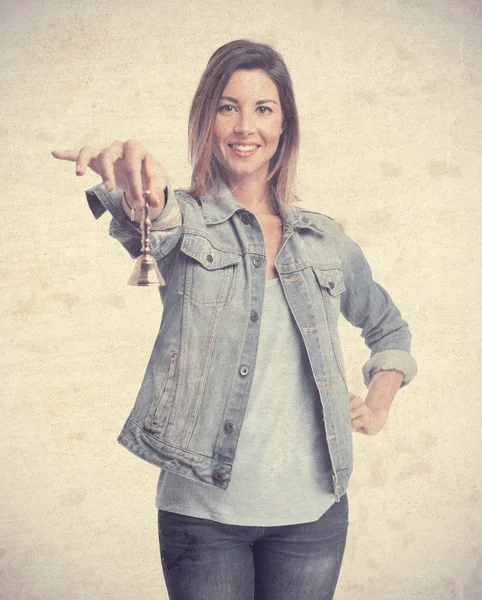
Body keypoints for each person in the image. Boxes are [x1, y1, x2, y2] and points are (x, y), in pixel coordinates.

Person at [52, 39, 417, 600]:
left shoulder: (326, 239)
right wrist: (133, 191)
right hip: (202, 517)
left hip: (313, 516)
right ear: (207, 119)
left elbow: (388, 327)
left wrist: (378, 403)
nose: (245, 125)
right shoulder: (187, 220)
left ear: (284, 127)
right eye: (228, 106)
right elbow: (152, 218)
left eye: (263, 108)